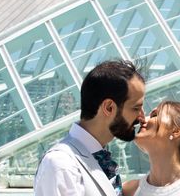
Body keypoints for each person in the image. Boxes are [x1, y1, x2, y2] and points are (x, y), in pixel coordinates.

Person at [35, 59, 146, 196]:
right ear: (109, 107)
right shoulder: (60, 164)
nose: (142, 116)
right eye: (136, 108)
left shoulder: (99, 159)